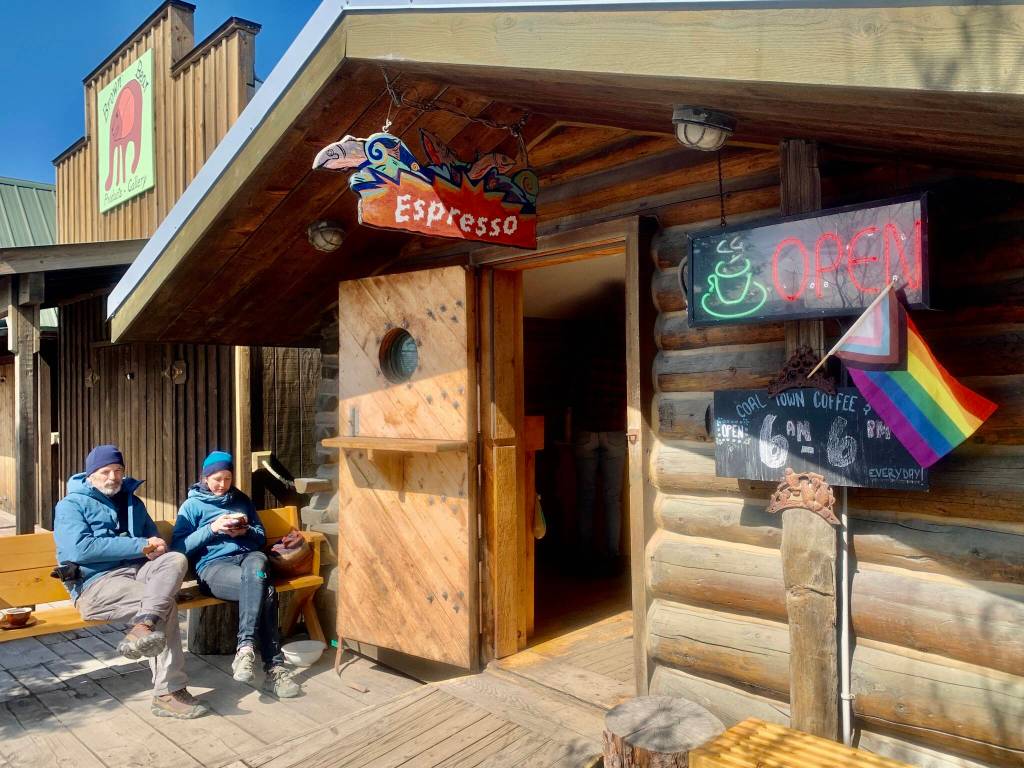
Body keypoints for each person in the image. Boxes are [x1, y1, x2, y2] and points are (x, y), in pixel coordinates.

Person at [53, 444, 208, 719]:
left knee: (175, 561)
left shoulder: (132, 502)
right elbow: (80, 549)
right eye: (105, 472)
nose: (113, 477)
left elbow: (152, 541)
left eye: (118, 471)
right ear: (91, 475)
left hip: (138, 574)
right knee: (165, 605)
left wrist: (158, 547)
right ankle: (167, 693)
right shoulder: (70, 505)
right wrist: (138, 545)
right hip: (95, 584)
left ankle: (141, 626)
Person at [172, 451, 300, 698]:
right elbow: (179, 547)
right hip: (214, 567)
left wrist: (244, 532)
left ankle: (246, 649)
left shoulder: (241, 499)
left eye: (228, 478)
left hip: (250, 558)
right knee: (266, 590)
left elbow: (260, 536)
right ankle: (273, 667)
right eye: (217, 478)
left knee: (259, 564)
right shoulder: (192, 506)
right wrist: (212, 528)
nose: (223, 484)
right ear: (206, 477)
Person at [573, 287, 628, 575]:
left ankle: (583, 552)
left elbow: (573, 388)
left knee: (585, 495)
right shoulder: (624, 345)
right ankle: (613, 555)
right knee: (611, 497)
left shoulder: (585, 345)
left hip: (586, 428)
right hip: (616, 430)